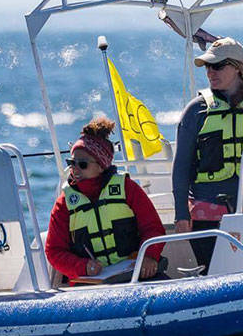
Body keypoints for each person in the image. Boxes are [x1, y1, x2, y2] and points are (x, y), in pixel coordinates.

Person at [172, 37, 243, 272]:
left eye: (217, 66)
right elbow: (181, 167)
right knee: (213, 273)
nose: (210, 72)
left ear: (237, 68)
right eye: (207, 67)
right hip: (206, 212)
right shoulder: (196, 111)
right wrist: (181, 214)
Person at [45, 117, 166, 283]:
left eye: (82, 164)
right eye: (72, 163)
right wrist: (83, 266)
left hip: (134, 275)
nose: (75, 169)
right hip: (91, 283)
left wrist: (149, 256)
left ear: (101, 165)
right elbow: (54, 251)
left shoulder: (127, 188)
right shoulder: (64, 203)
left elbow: (153, 229)